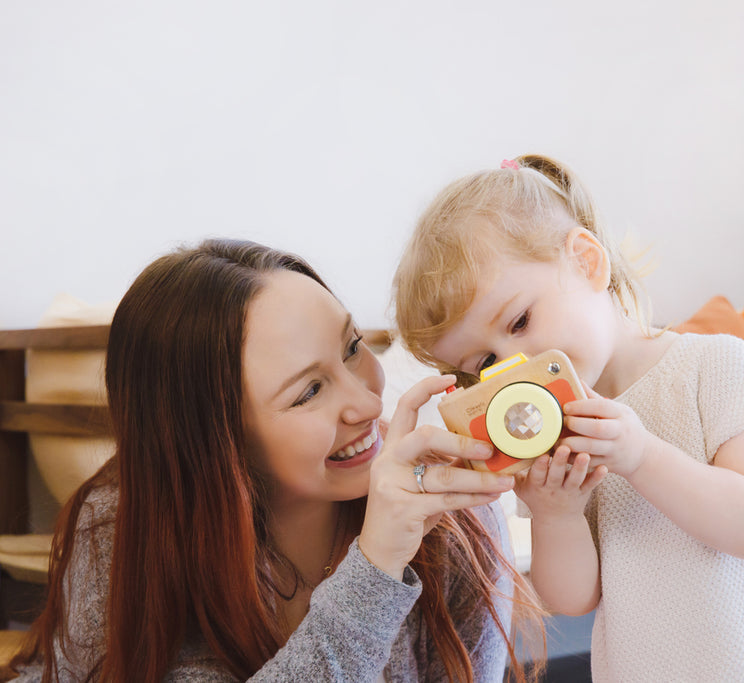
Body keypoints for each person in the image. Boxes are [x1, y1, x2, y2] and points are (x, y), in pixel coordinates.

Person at [392, 155, 744, 682]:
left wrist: (641, 456)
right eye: (482, 365)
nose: (512, 366)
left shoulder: (712, 367)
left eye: (520, 321)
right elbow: (574, 598)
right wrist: (558, 516)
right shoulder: (554, 436)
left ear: (587, 262)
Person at [2, 239, 543, 683]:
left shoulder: (453, 519)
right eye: (308, 392)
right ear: (216, 441)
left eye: (352, 347)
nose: (369, 402)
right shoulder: (121, 536)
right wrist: (375, 568)